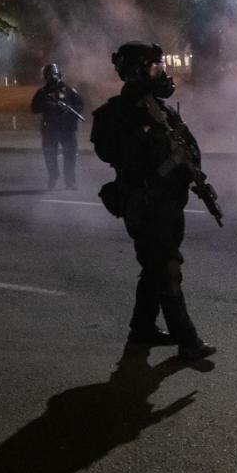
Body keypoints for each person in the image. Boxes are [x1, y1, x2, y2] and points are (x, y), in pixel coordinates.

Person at [89, 41, 215, 361]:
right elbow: (121, 156)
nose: (163, 73)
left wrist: (195, 174)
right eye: (155, 67)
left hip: (168, 205)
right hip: (145, 206)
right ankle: (187, 340)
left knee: (154, 268)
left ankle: (142, 327)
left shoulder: (159, 109)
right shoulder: (120, 114)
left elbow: (186, 146)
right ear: (136, 71)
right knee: (167, 269)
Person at [31, 63, 83, 190]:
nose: (53, 77)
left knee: (70, 156)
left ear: (59, 74)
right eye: (50, 75)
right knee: (50, 157)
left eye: (55, 74)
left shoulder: (68, 90)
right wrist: (48, 106)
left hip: (67, 129)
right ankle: (53, 178)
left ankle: (70, 181)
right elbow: (34, 108)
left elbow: (80, 105)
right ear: (46, 76)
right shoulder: (42, 93)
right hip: (50, 130)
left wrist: (68, 110)